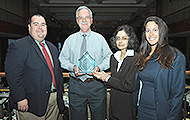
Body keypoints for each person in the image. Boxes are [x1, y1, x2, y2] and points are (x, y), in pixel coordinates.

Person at [5, 14, 65, 120]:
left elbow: (57, 72)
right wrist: (20, 98)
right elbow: (13, 75)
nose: (40, 28)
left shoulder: (52, 48)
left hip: (53, 101)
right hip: (31, 102)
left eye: (43, 24)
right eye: (36, 24)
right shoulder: (18, 46)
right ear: (29, 27)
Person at [59, 6, 112, 120]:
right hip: (76, 86)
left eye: (87, 17)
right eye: (81, 18)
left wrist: (99, 67)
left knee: (99, 117)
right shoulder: (70, 40)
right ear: (77, 20)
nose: (84, 20)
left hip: (96, 85)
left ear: (91, 20)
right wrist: (72, 67)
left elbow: (109, 57)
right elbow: (62, 59)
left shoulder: (100, 39)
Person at [134, 16, 186, 120]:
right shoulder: (144, 55)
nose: (151, 34)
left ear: (161, 32)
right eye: (147, 30)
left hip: (161, 114)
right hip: (142, 111)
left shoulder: (175, 56)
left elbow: (177, 94)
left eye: (155, 30)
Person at [92, 25, 139, 120]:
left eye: (124, 38)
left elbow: (129, 86)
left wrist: (107, 78)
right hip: (114, 104)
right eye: (118, 38)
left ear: (130, 40)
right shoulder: (113, 57)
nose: (120, 41)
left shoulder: (136, 58)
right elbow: (115, 82)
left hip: (127, 106)